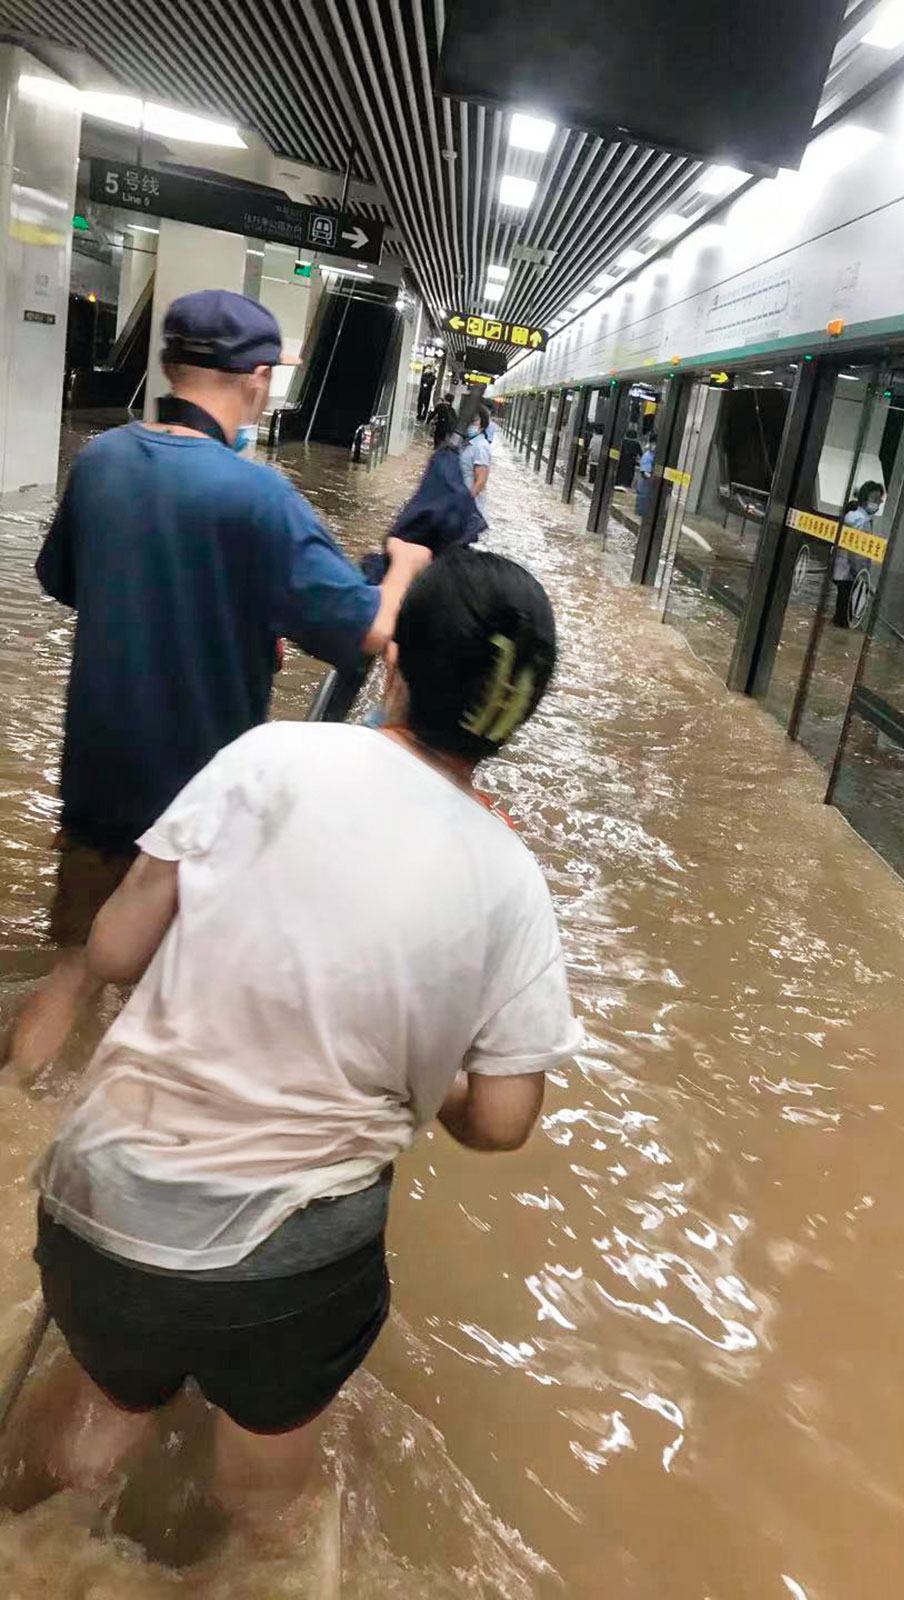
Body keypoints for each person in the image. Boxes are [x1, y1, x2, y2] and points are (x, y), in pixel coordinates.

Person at [12, 549, 581, 1539]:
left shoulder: (268, 757)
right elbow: (501, 1118)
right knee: (266, 1489)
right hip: (294, 1266)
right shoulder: (511, 882)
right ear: (515, 717)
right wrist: (432, 1075)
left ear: (394, 660)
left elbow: (113, 945)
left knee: (95, 1425)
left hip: (107, 1197)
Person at [3, 289, 421, 1079]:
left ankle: (14, 1100)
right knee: (182, 1010)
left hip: (96, 784)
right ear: (258, 381)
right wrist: (404, 567)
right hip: (202, 814)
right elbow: (371, 631)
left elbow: (65, 580)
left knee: (75, 973)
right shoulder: (261, 498)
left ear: (167, 365)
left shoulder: (100, 463)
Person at [832, 480, 884, 628]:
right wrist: (863, 577)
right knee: (845, 620)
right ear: (864, 498)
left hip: (841, 572)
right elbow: (857, 554)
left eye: (879, 500)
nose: (877, 504)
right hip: (850, 575)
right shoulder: (862, 521)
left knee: (840, 614)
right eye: (875, 500)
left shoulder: (851, 516)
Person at [459, 402, 492, 525]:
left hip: (468, 507)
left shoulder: (481, 447)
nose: (469, 425)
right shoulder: (465, 443)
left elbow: (481, 481)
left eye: (473, 421)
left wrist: (465, 502)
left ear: (482, 425)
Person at [635, 433, 656, 519]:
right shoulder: (648, 456)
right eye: (654, 443)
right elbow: (645, 472)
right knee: (642, 512)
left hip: (648, 487)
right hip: (645, 486)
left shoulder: (654, 455)